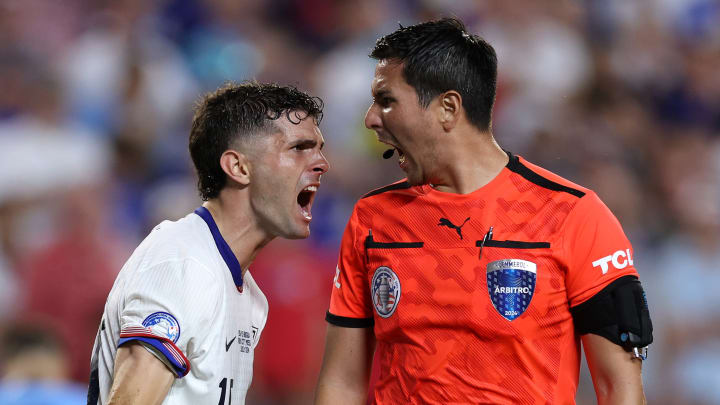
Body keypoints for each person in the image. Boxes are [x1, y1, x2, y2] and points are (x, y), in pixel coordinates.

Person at [314, 18, 652, 404]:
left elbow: (619, 389)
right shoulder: (372, 219)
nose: (370, 118)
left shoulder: (574, 216)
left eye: (387, 100)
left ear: (447, 107)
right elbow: (341, 384)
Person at [87, 82, 329, 405]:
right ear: (239, 167)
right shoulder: (184, 262)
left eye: (319, 149)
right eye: (299, 148)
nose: (322, 163)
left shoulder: (246, 292)